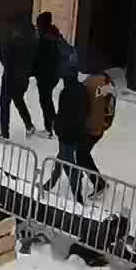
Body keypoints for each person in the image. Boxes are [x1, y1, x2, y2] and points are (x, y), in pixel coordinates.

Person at [41, 69, 90, 200]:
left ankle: (77, 196)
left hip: (66, 135)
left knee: (69, 165)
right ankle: (51, 183)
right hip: (77, 133)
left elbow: (63, 114)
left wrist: (57, 126)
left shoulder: (66, 93)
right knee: (61, 158)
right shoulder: (82, 90)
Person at [78, 69, 118, 196]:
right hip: (96, 127)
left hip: (91, 127)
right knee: (82, 154)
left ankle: (98, 183)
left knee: (81, 154)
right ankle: (97, 182)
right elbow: (110, 109)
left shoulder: (91, 82)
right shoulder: (106, 83)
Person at [0, 12, 37, 140]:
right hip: (23, 75)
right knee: (18, 98)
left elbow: (5, 55)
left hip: (10, 74)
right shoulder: (31, 35)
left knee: (4, 103)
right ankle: (29, 125)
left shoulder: (12, 38)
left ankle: (4, 134)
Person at [31, 12, 71, 137]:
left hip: (46, 75)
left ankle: (50, 128)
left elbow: (39, 58)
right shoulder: (55, 34)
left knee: (45, 101)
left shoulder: (44, 38)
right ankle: (53, 125)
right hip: (55, 73)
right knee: (47, 100)